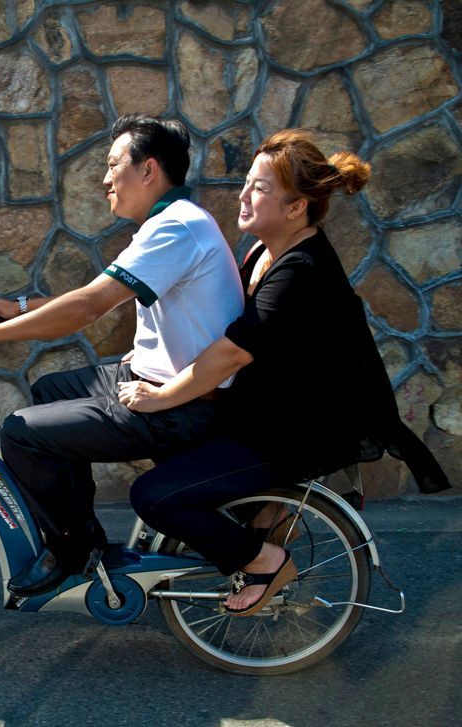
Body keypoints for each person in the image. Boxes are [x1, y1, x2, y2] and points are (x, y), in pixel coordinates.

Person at [120, 129, 449, 616]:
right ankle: (256, 530)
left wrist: (162, 394)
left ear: (296, 207)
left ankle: (267, 563)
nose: (243, 195)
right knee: (171, 455)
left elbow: (233, 352)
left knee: (154, 496)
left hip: (293, 436)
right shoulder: (263, 252)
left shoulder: (301, 271)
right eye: (246, 183)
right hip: (262, 417)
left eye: (259, 188)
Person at [0, 114, 244, 596]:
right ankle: (82, 534)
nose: (105, 179)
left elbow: (89, 307)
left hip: (178, 401)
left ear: (148, 170)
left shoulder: (176, 228)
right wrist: (18, 308)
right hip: (150, 375)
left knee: (21, 433)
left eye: (113, 164)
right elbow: (97, 292)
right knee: (49, 390)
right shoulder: (171, 222)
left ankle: (73, 550)